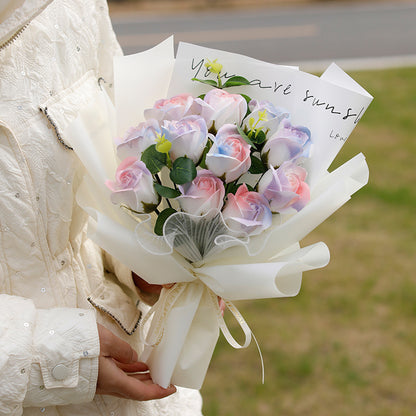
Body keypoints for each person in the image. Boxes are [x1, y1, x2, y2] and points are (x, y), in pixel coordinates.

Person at [0, 1, 203, 415]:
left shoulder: (71, 8)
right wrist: (50, 355)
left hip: (126, 379)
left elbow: (119, 169)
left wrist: (151, 263)